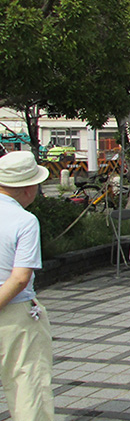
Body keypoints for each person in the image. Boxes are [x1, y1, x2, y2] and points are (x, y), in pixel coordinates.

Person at [0, 151, 54, 420]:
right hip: (14, 312)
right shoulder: (24, 220)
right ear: (29, 188)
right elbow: (20, 277)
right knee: (27, 384)